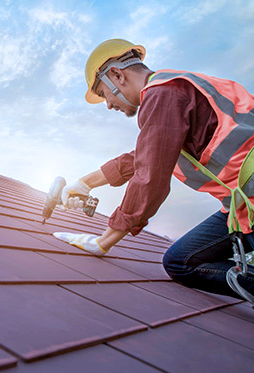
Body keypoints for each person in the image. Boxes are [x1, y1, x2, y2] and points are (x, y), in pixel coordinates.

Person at [53, 38, 254, 303]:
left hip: (249, 201)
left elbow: (150, 176)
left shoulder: (162, 94)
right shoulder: (170, 89)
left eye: (105, 94)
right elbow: (146, 155)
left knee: (181, 262)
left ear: (116, 75)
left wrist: (104, 241)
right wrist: (85, 183)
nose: (109, 105)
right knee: (180, 261)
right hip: (241, 207)